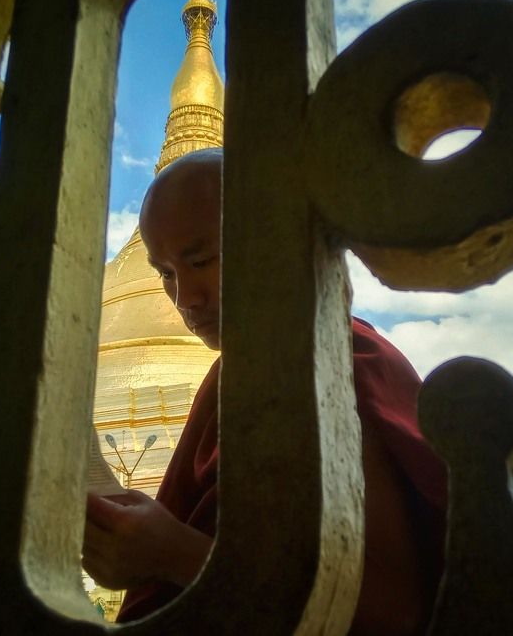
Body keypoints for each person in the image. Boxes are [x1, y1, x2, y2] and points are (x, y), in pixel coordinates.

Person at [82, 148, 447, 635]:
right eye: (166, 273)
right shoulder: (228, 380)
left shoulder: (340, 362)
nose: (185, 299)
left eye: (203, 260)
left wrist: (170, 554)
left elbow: (390, 612)